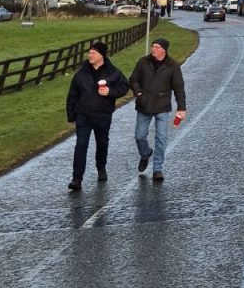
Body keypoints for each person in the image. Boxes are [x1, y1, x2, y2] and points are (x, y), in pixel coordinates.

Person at [65, 41, 130, 191]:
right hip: (83, 115)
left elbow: (124, 87)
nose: (90, 55)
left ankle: (101, 167)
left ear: (101, 55)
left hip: (103, 114)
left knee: (102, 143)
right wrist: (71, 116)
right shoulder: (81, 73)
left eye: (94, 53)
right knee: (81, 145)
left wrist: (110, 93)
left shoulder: (112, 72)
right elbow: (72, 95)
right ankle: (77, 179)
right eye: (89, 52)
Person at [129, 37, 186, 182]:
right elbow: (133, 80)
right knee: (139, 136)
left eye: (156, 47)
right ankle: (145, 154)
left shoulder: (173, 65)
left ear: (163, 50)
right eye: (153, 46)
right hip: (144, 104)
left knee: (161, 137)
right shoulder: (143, 62)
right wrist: (139, 93)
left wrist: (181, 108)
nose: (153, 49)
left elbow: (178, 87)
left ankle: (158, 168)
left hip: (162, 105)